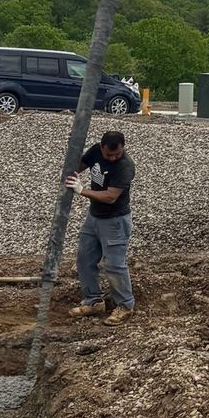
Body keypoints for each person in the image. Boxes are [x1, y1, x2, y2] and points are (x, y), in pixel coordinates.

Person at [66, 128, 135, 321]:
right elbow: (77, 166)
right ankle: (93, 301)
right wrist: (71, 156)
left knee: (114, 265)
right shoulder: (96, 150)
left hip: (115, 221)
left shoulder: (125, 166)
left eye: (117, 154)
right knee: (84, 260)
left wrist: (81, 190)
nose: (113, 158)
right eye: (109, 154)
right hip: (94, 217)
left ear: (123, 148)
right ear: (102, 147)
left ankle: (125, 306)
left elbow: (111, 197)